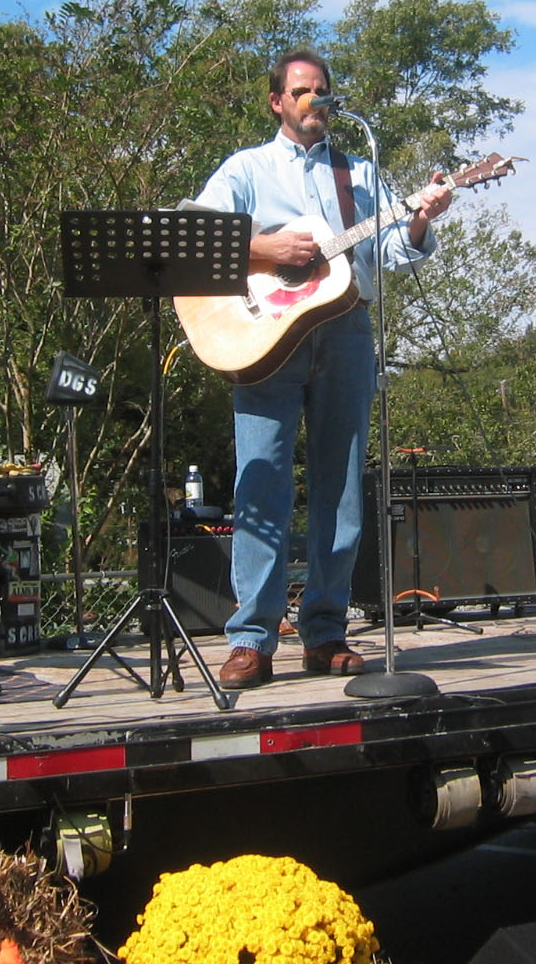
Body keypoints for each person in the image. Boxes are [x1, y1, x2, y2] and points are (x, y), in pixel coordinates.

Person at [193, 49, 454, 689]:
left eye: (322, 90)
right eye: (301, 91)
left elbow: (389, 251)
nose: (314, 99)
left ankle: (326, 631)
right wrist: (266, 246)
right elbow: (197, 236)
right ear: (277, 102)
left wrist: (421, 218)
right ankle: (252, 639)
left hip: (345, 331)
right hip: (264, 336)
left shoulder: (359, 171)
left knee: (341, 486)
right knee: (262, 481)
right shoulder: (246, 169)